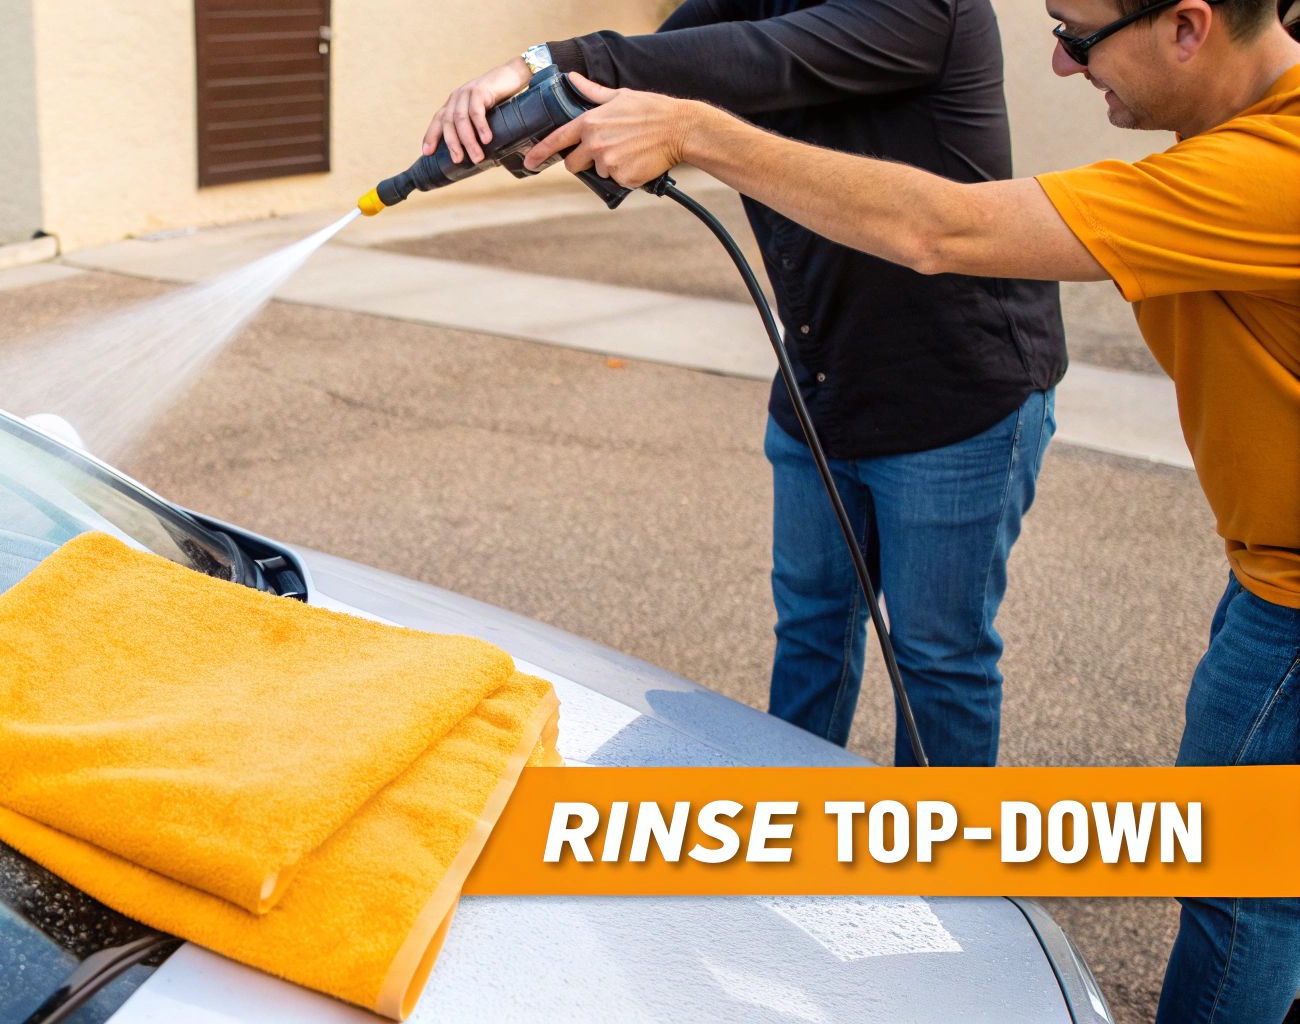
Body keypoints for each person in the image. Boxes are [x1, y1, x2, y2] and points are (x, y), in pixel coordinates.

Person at [524, 0, 1300, 1017]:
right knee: (812, 629)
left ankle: (955, 910)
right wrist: (537, 71)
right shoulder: (1242, 139)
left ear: (1188, 26)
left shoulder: (1258, 172)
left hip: (1267, 583)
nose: (1061, 68)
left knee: (1241, 891)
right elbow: (697, 44)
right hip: (1253, 559)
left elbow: (941, 227)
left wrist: (696, 130)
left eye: (1075, 37)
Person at [426, 2, 1068, 768]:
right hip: (818, 382)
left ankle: (948, 876)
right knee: (810, 633)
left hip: (956, 393)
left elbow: (756, 59)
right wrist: (532, 103)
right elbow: (654, 59)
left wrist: (540, 61)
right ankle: (783, 835)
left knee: (938, 658)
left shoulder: (931, 8)